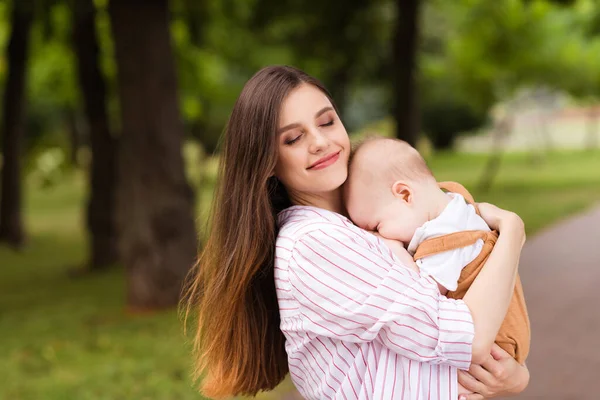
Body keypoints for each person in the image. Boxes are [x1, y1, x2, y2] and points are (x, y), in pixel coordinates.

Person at [184, 65, 530, 400]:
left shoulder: (372, 220)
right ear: (268, 161)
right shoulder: (313, 244)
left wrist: (513, 376)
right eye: (293, 138)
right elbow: (465, 339)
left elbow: (451, 334)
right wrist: (511, 232)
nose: (320, 141)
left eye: (327, 121)